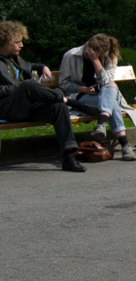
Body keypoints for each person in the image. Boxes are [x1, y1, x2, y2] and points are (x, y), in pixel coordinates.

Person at [0, 20, 86, 173]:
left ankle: (69, 158)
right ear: (4, 41)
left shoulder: (15, 58)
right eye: (17, 42)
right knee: (27, 85)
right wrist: (19, 88)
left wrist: (43, 67)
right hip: (7, 108)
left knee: (58, 108)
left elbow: (31, 66)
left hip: (27, 106)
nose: (21, 45)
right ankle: (69, 100)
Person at [59, 34, 136, 161]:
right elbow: (63, 83)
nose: (87, 54)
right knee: (112, 103)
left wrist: (95, 61)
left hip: (105, 95)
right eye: (87, 50)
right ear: (87, 44)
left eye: (93, 53)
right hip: (81, 96)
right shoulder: (71, 55)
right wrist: (84, 89)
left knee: (111, 87)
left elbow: (107, 82)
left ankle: (101, 124)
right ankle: (125, 146)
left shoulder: (109, 56)